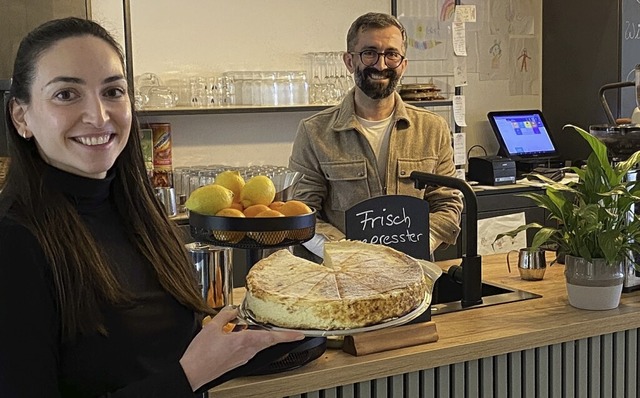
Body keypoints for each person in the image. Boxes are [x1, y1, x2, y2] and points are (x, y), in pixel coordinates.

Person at [0, 17, 303, 397]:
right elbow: (182, 373)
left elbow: (164, 357)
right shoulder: (14, 240)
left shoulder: (138, 212)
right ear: (21, 116)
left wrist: (306, 326)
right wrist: (189, 374)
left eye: (113, 91)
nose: (99, 115)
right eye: (66, 94)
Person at [289, 12, 463, 255]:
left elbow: (447, 203)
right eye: (369, 53)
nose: (381, 65)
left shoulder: (432, 128)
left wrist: (417, 245)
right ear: (350, 61)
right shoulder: (314, 132)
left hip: (413, 278)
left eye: (391, 54)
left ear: (403, 64)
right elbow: (301, 214)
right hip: (341, 282)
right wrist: (352, 255)